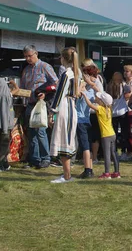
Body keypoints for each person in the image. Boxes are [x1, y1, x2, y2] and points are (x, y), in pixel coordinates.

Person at [20, 45, 58, 169]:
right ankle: (34, 159)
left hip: (42, 104)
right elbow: (23, 88)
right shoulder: (26, 70)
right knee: (31, 132)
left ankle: (46, 158)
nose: (28, 59)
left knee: (40, 130)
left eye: (30, 56)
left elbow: (56, 83)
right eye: (25, 57)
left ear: (36, 53)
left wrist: (46, 93)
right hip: (30, 104)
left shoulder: (45, 67)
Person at [49, 47, 81, 183]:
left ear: (63, 58)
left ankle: (67, 175)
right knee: (67, 139)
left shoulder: (67, 74)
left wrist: (52, 112)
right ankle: (67, 174)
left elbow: (59, 94)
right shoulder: (77, 73)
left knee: (62, 140)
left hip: (64, 107)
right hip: (72, 107)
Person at [82, 91, 121, 179]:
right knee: (114, 153)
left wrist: (85, 95)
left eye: (98, 98)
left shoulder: (100, 108)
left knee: (107, 154)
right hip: (112, 134)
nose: (96, 98)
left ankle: (107, 173)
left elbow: (90, 105)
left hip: (105, 135)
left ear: (101, 101)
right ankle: (117, 172)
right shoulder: (109, 109)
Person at [83, 64, 104, 164]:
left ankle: (94, 157)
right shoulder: (87, 83)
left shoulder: (96, 82)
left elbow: (100, 95)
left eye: (86, 74)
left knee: (95, 136)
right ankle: (89, 157)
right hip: (87, 112)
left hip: (95, 112)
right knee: (89, 135)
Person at [75, 74, 95, 179]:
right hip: (87, 120)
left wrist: (81, 84)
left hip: (80, 121)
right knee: (89, 146)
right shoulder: (91, 93)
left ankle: (87, 170)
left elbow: (76, 93)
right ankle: (90, 168)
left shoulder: (82, 93)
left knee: (85, 147)